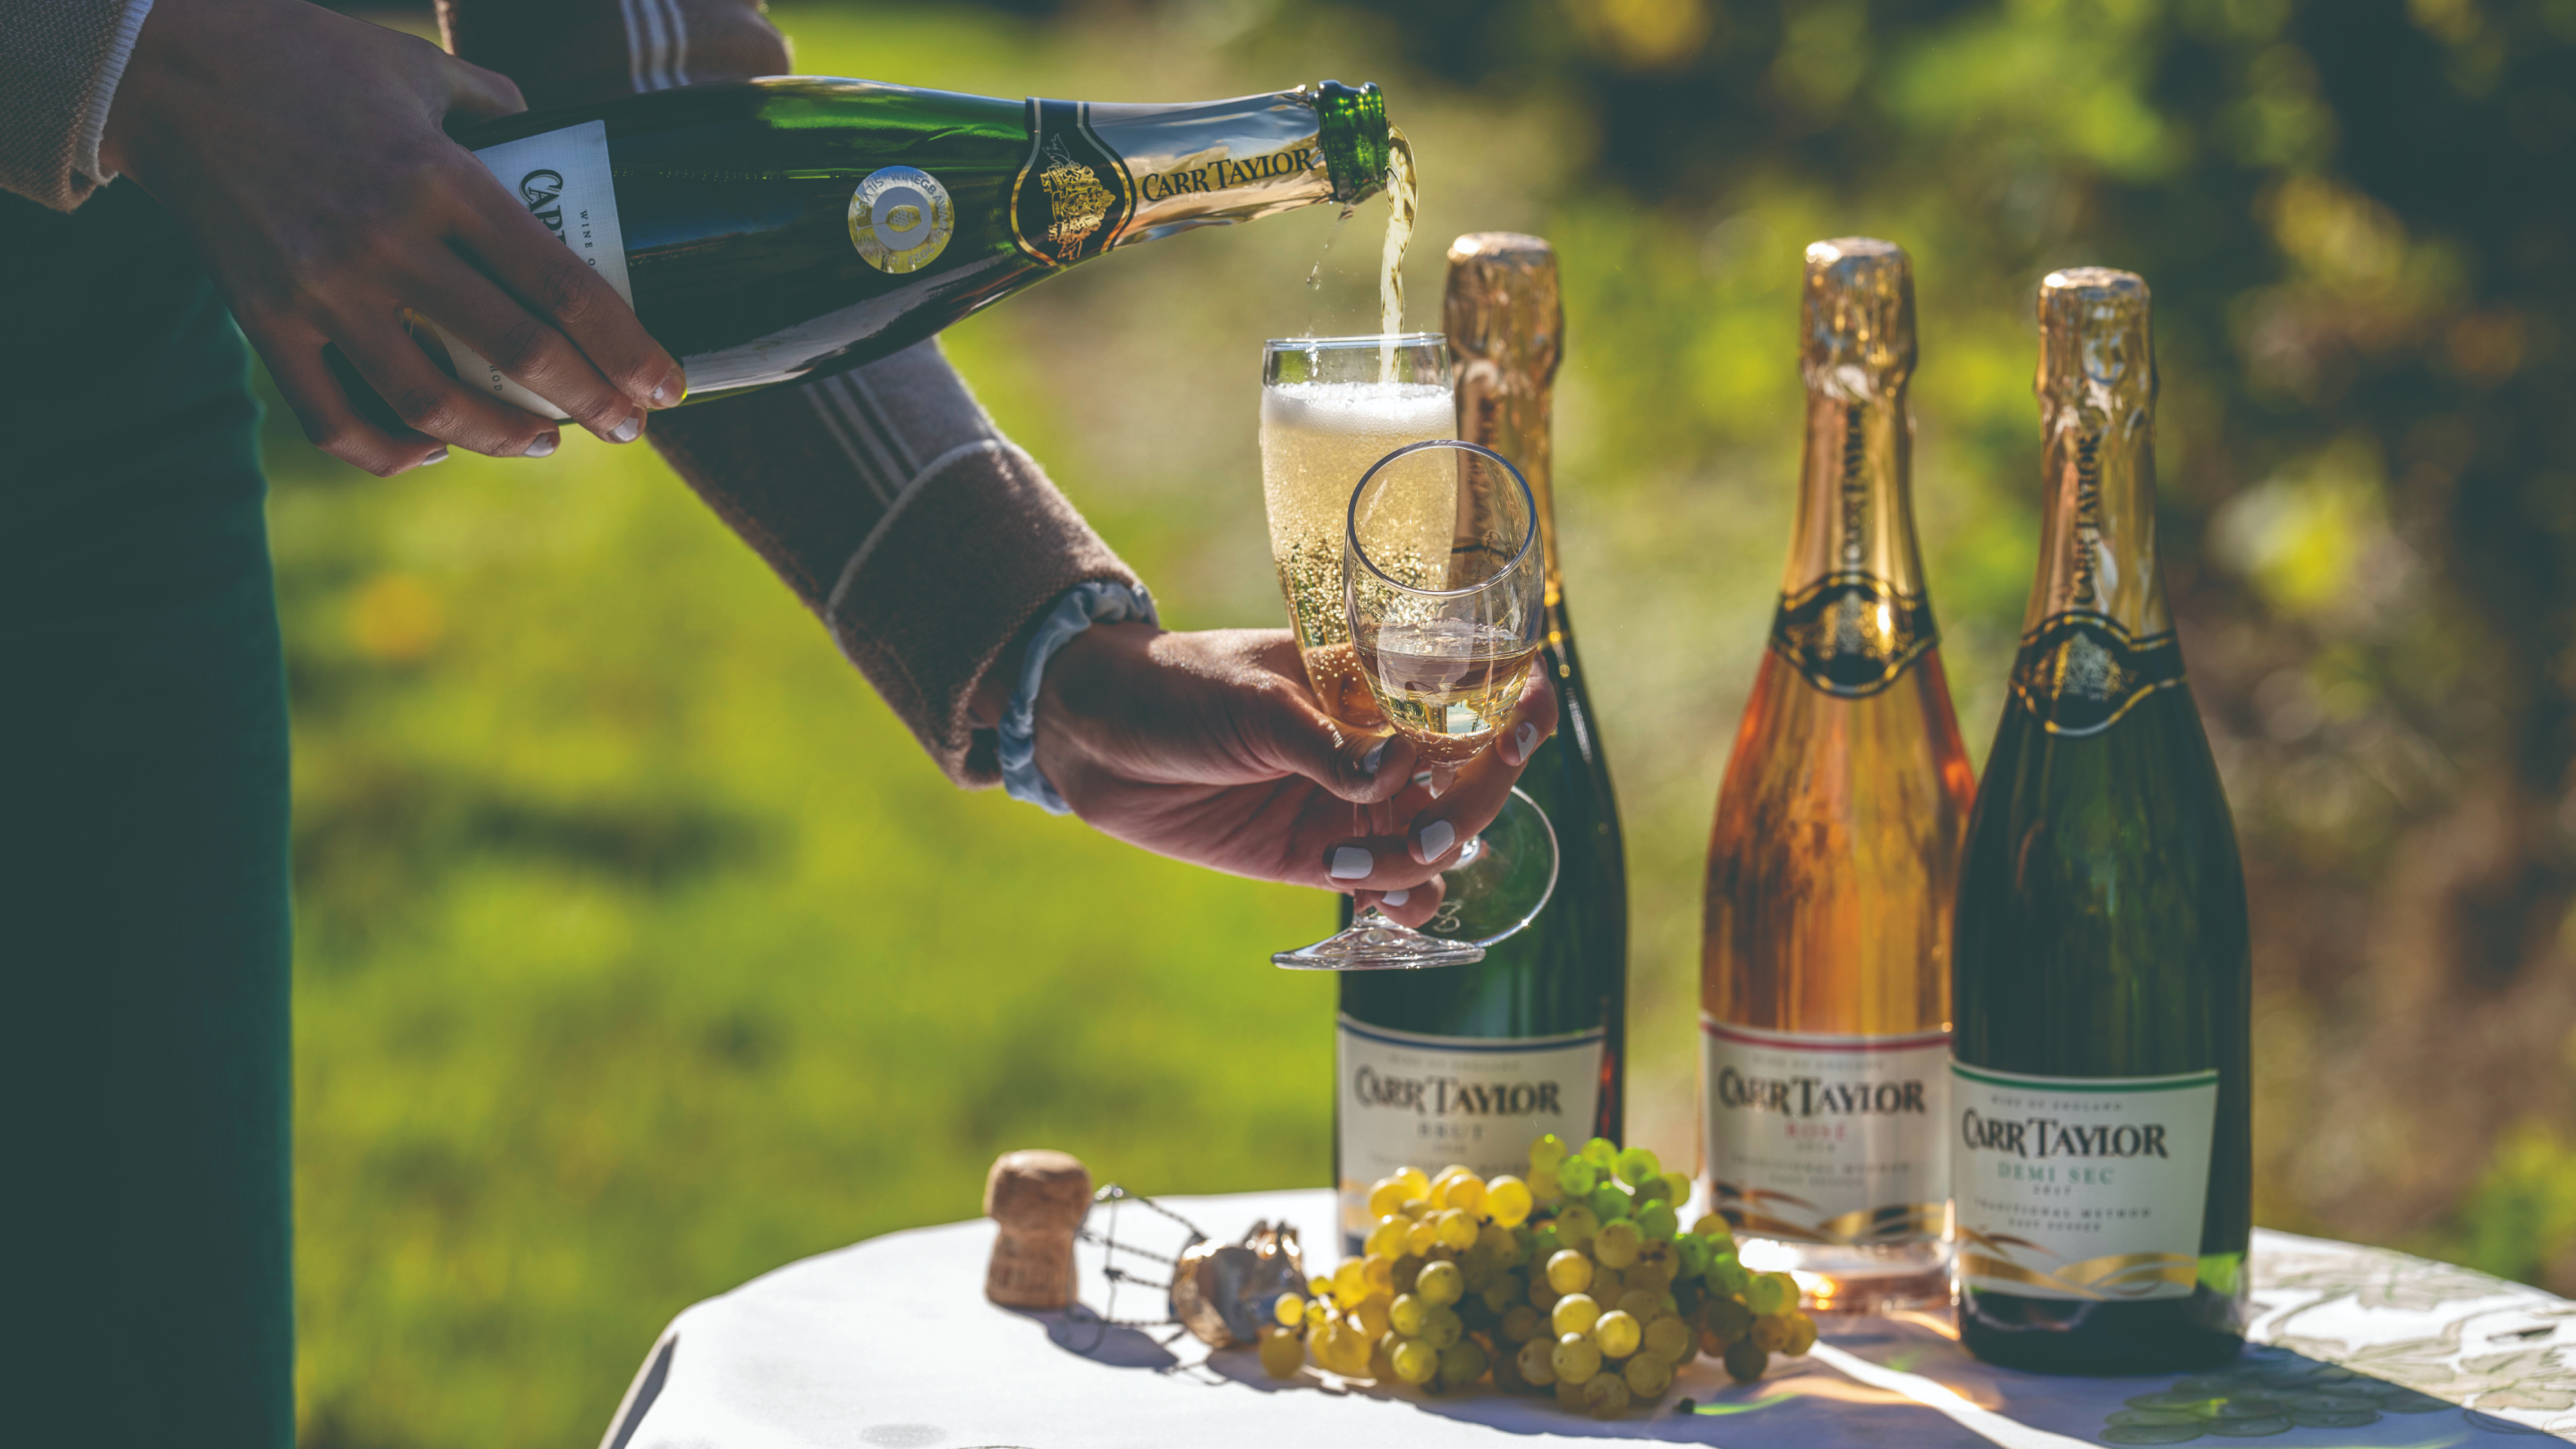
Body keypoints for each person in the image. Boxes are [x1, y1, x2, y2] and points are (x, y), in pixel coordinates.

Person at [0, 1, 1553, 1444]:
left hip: (95, 487)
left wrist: (1051, 671)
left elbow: (662, 127)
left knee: (139, 1348)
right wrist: (130, 55)